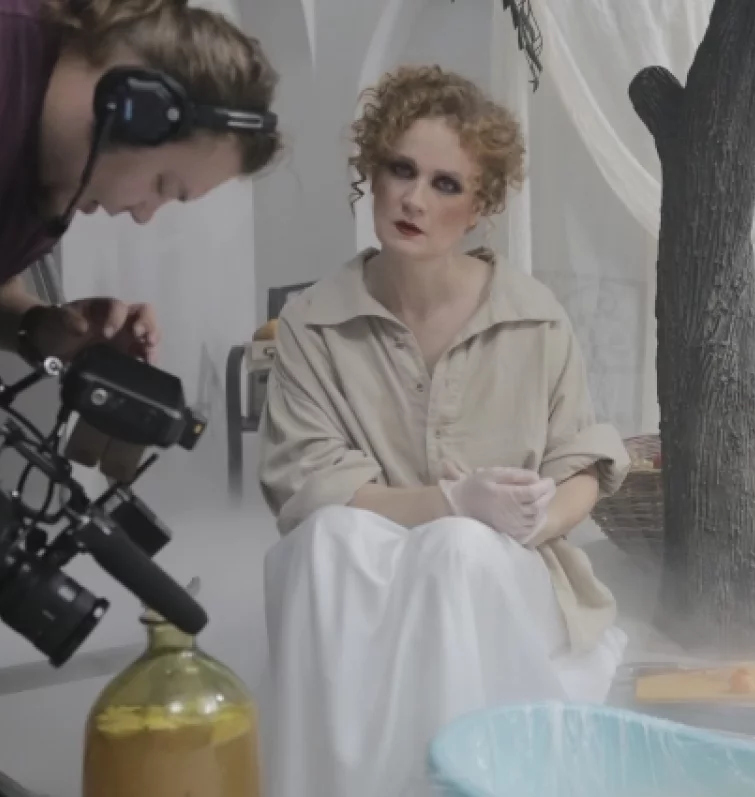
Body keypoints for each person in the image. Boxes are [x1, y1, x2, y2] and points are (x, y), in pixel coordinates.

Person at [258, 65, 631, 796]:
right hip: (366, 573)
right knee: (330, 539)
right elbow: (307, 483)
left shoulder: (536, 317)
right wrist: (455, 501)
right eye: (401, 169)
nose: (414, 199)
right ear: (373, 171)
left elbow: (582, 460)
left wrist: (537, 517)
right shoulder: (311, 322)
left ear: (480, 205)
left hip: (497, 576)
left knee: (457, 550)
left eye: (445, 184)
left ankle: (457, 782)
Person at [0, 0, 281, 365]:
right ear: (134, 107)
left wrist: (40, 328)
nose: (143, 215)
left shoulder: (53, 184)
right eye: (163, 185)